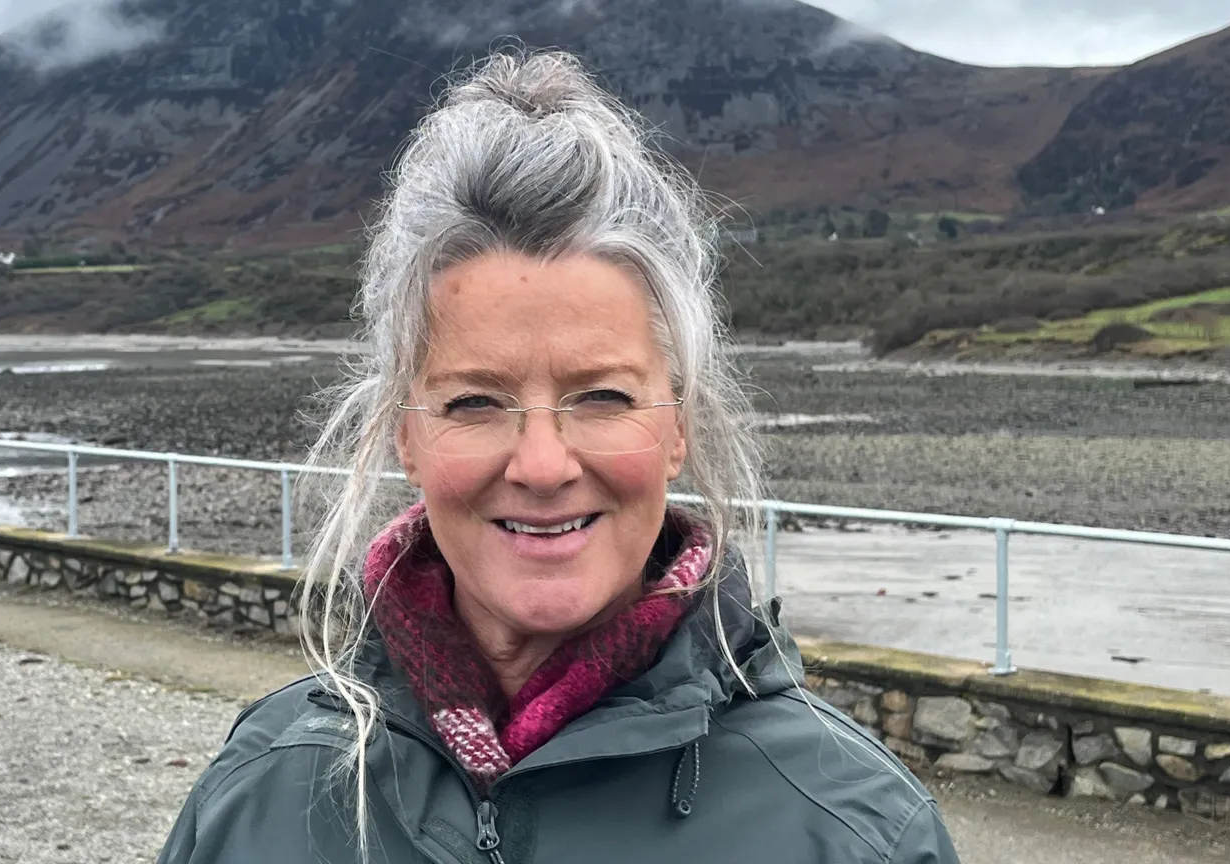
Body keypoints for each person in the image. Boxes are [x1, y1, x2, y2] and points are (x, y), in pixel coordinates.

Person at [157, 49, 959, 864]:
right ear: (405, 435)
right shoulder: (262, 796)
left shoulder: (854, 832)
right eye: (474, 402)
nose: (542, 466)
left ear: (678, 426)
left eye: (603, 397)